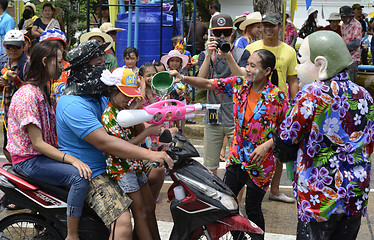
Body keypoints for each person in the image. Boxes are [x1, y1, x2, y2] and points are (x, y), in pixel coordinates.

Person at [57, 39, 173, 239]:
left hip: (116, 164)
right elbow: (105, 142)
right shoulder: (72, 103)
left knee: (155, 179)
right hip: (93, 172)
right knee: (123, 223)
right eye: (98, 66)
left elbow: (130, 124)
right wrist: (149, 153)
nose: (103, 70)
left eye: (104, 64)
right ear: (83, 69)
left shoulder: (100, 97)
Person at [170, 49, 289, 238]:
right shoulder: (239, 84)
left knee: (253, 208)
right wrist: (182, 78)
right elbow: (209, 83)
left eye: (252, 66)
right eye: (247, 64)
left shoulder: (278, 97)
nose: (247, 69)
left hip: (261, 163)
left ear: (267, 71)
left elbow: (286, 130)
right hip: (236, 157)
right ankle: (238, 238)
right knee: (227, 203)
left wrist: (266, 145)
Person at [273, 30, 374, 240]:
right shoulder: (364, 96)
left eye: (300, 61)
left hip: (318, 197)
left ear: (321, 64)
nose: (297, 69)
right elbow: (368, 144)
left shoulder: (311, 94)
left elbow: (285, 138)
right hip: (355, 194)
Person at [8, 40, 92, 240]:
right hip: (30, 161)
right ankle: (72, 235)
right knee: (79, 177)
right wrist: (72, 160)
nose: (63, 66)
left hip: (40, 158)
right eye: (59, 61)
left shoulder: (42, 90)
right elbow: (37, 143)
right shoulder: (28, 95)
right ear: (45, 62)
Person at [101, 67, 162, 240]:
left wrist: (136, 109)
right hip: (123, 170)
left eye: (130, 95)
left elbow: (138, 130)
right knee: (141, 213)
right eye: (124, 94)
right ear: (113, 91)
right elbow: (123, 146)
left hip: (136, 166)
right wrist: (148, 132)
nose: (128, 98)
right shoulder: (108, 116)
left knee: (149, 208)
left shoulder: (124, 110)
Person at [246, 12, 298, 203]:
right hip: (253, 105)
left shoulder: (289, 51)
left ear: (280, 27)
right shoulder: (252, 48)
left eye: (273, 25)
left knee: (278, 148)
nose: (268, 29)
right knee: (246, 147)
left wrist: (294, 104)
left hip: (278, 107)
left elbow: (292, 79)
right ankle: (245, 192)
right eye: (265, 25)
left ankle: (275, 190)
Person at [199, 13, 250, 175]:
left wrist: (228, 57)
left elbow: (243, 79)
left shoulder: (242, 54)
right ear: (211, 34)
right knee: (210, 164)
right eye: (218, 33)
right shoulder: (205, 54)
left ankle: (236, 199)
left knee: (238, 164)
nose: (222, 37)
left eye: (226, 33)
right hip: (213, 115)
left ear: (233, 33)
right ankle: (215, 198)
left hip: (236, 116)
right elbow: (201, 80)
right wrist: (208, 54)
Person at [0, 30, 28, 162]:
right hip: (7, 110)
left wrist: (16, 80)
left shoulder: (29, 64)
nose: (12, 50)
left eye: (16, 46)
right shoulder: (2, 61)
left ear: (23, 46)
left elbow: (31, 91)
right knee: (7, 146)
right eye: (9, 46)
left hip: (23, 113)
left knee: (23, 146)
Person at [340, 6, 362, 82]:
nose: (342, 19)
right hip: (344, 58)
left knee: (351, 82)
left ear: (349, 16)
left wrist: (342, 47)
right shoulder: (343, 25)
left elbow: (356, 43)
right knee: (343, 81)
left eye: (344, 17)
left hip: (353, 58)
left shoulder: (357, 25)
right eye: (342, 17)